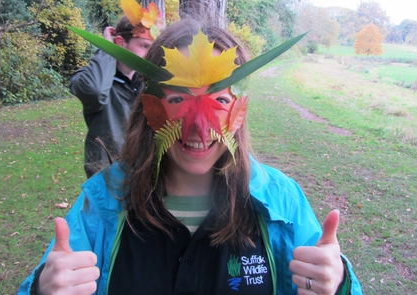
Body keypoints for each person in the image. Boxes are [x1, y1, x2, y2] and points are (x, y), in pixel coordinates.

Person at [19, 19, 363, 295]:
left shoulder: (281, 203)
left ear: (239, 111)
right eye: (177, 100)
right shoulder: (103, 202)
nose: (199, 129)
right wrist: (42, 289)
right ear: (150, 107)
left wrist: (338, 284)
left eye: (220, 102)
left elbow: (325, 279)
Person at [70, 0, 163, 178]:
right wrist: (106, 48)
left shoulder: (147, 82)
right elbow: (95, 92)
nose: (150, 54)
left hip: (144, 173)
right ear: (120, 43)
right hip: (107, 176)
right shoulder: (91, 78)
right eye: (144, 46)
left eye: (152, 48)